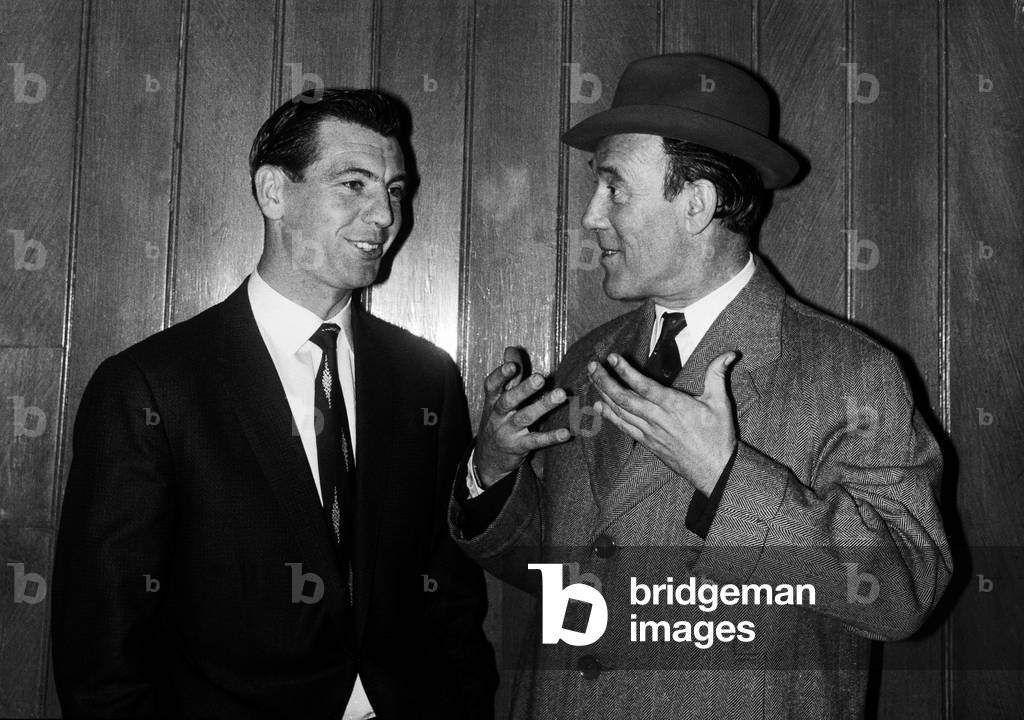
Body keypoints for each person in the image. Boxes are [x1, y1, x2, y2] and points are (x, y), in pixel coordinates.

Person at [451, 54, 951, 719]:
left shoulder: (853, 374)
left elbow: (904, 591)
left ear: (696, 204)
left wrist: (727, 478)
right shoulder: (588, 361)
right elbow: (567, 571)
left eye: (614, 187)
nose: (593, 214)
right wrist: (492, 474)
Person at [52, 88, 496, 719]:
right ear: (273, 192)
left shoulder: (426, 377)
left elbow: (450, 591)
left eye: (395, 190)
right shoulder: (150, 386)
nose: (384, 216)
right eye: (353, 184)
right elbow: (101, 636)